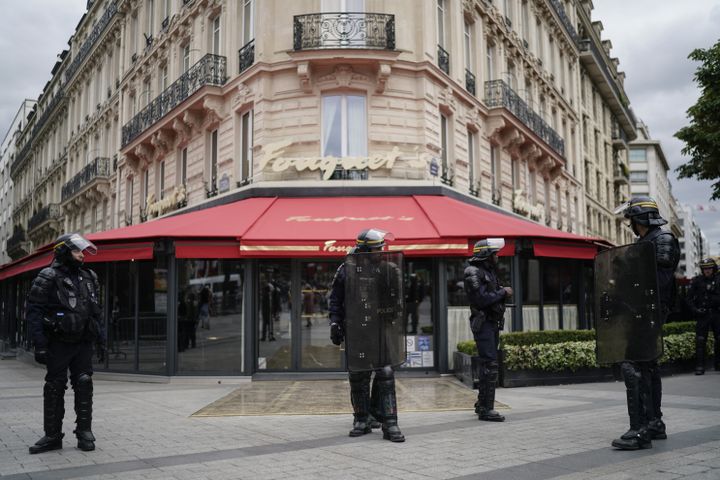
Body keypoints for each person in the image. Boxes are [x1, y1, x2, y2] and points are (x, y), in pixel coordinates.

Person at [611, 196, 680, 450]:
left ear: (640, 218)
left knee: (633, 366)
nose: (629, 223)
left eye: (631, 219)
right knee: (648, 367)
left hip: (648, 313)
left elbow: (658, 282)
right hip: (641, 312)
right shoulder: (646, 242)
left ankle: (640, 431)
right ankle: (654, 423)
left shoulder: (662, 240)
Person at [26, 233, 106, 454]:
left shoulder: (90, 276)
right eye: (76, 251)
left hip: (83, 342)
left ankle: (84, 432)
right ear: (63, 252)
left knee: (84, 382)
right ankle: (52, 435)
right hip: (58, 342)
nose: (81, 255)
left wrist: (101, 339)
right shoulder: (47, 276)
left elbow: (96, 310)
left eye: (82, 251)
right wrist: (40, 343)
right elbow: (34, 311)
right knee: (54, 386)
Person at [329, 228, 405, 442]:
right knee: (358, 375)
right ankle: (361, 419)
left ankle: (389, 422)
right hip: (356, 330)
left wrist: (393, 316)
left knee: (386, 373)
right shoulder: (346, 269)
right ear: (363, 250)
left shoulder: (389, 269)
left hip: (380, 329)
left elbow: (397, 300)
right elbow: (335, 299)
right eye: (376, 249)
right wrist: (335, 322)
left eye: (381, 248)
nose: (381, 252)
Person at [464, 238, 512, 422]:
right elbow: (481, 299)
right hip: (483, 323)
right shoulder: (473, 272)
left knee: (488, 364)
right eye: (494, 253)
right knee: (489, 364)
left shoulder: (487, 272)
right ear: (486, 255)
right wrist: (503, 292)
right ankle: (486, 409)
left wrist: (501, 293)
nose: (497, 256)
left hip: (492, 322)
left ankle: (481, 404)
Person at [687, 257, 720, 375]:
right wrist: (695, 310)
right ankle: (700, 366)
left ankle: (718, 364)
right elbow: (689, 299)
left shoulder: (719, 279)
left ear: (713, 268)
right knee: (700, 341)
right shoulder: (697, 281)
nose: (707, 270)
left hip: (717, 313)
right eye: (705, 268)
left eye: (709, 268)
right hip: (703, 314)